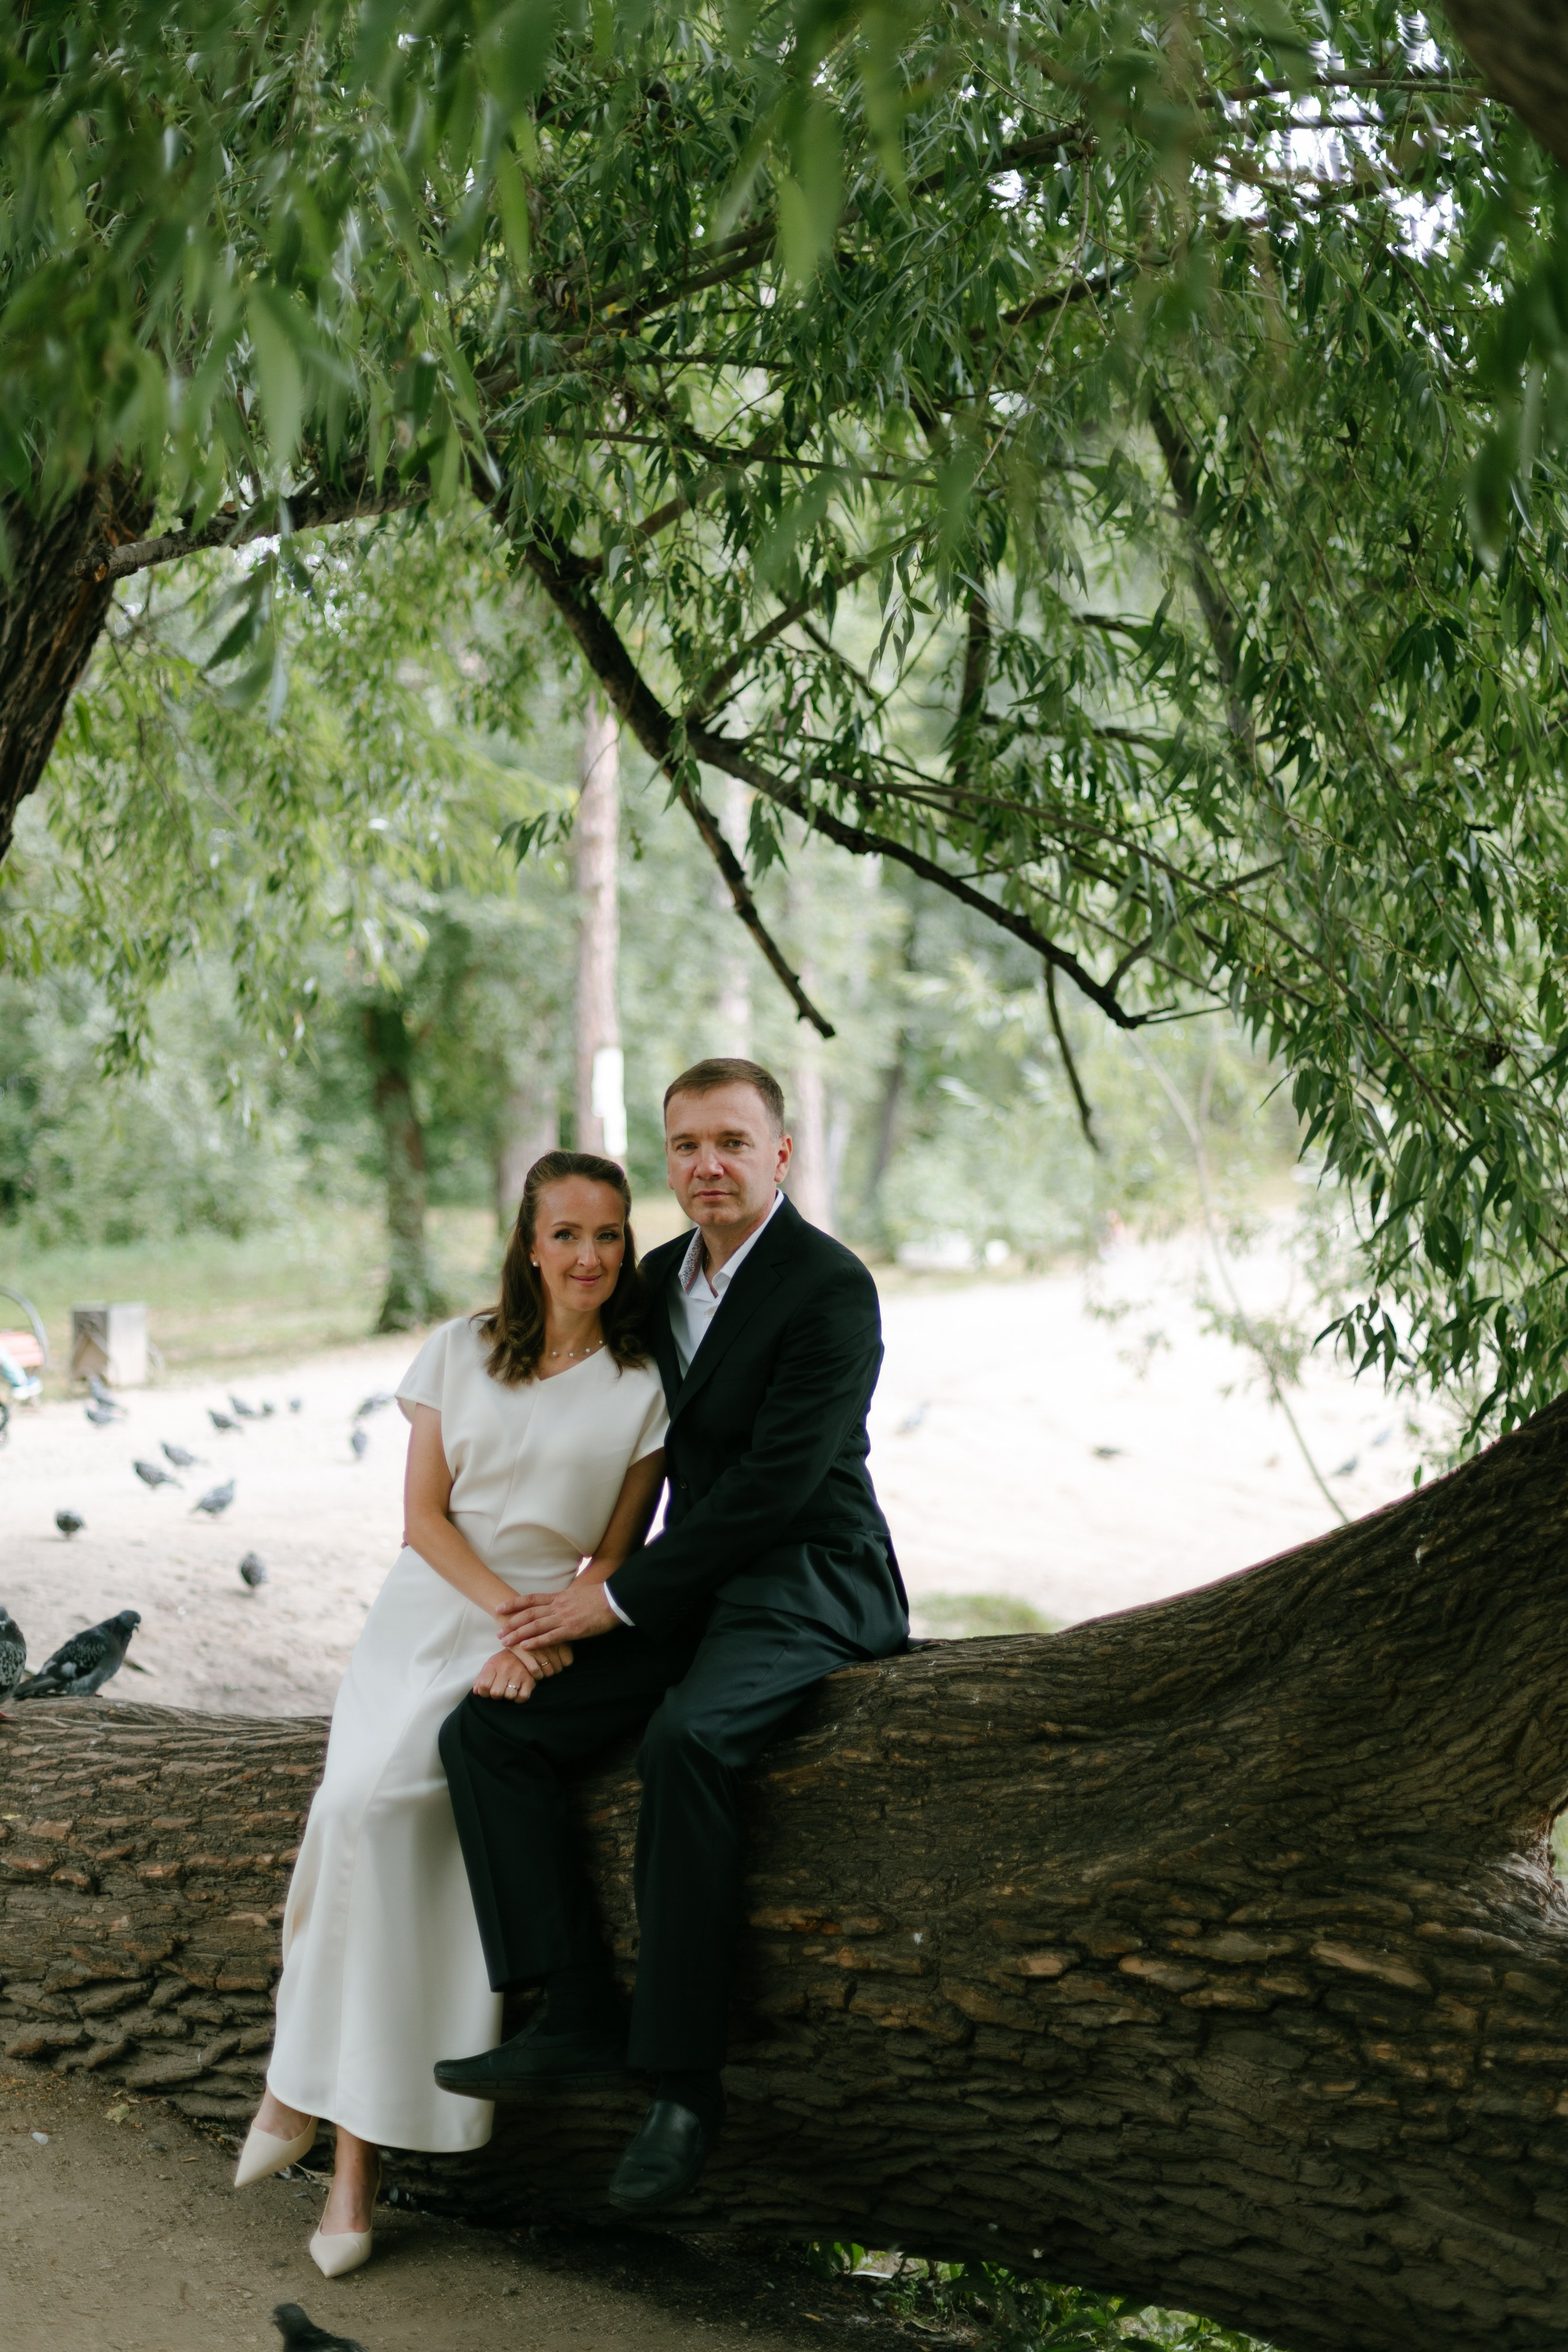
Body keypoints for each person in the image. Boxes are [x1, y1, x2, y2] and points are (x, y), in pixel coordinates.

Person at [435, 1057, 908, 2213]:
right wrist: (573, 1598)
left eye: (733, 1143)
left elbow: (776, 1489)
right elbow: (613, 1427)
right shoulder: (653, 1278)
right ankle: (572, 2008)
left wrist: (618, 1599)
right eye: (688, 1145)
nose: (709, 1164)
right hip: (684, 1583)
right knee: (491, 1734)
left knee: (687, 1742)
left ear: (779, 1156)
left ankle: (685, 2087)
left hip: (811, 1571)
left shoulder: (830, 1288)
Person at [233, 1153, 668, 2278]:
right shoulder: (461, 1349)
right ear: (529, 1242)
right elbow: (423, 1520)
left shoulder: (642, 1383)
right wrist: (503, 1621)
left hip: (540, 1630)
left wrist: (545, 1639)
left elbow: (615, 1554)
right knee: (347, 1812)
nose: (589, 1258)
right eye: (567, 1234)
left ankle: (340, 2152)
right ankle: (310, 2105)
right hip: (430, 1612)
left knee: (384, 1820)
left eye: (610, 1237)